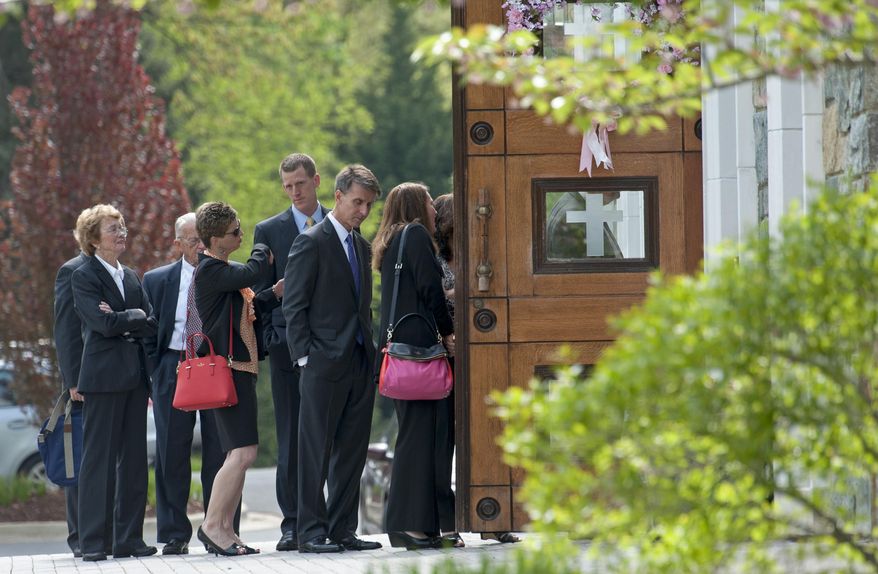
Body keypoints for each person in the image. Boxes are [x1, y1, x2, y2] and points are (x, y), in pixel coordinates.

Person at [283, 164, 383, 554]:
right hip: (322, 364)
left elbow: (363, 310)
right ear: (338, 196)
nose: (363, 211)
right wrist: (305, 358)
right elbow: (294, 306)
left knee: (352, 452)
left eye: (369, 205)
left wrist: (369, 353)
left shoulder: (361, 245)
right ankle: (310, 532)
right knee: (315, 451)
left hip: (359, 363)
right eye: (358, 202)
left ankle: (343, 529)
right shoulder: (311, 242)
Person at [70, 204, 157, 562]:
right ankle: (93, 541)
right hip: (103, 380)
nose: (122, 232)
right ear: (93, 239)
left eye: (123, 226)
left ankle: (129, 539)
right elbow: (101, 325)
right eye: (113, 228)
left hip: (135, 378)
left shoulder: (133, 276)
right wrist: (131, 318)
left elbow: (151, 322)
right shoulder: (84, 275)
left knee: (135, 461)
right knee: (98, 462)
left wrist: (126, 317)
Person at [142, 213, 232, 555]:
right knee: (171, 452)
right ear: (178, 243)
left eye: (204, 239)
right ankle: (174, 533)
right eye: (193, 240)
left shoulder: (225, 273)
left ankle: (220, 528)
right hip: (172, 366)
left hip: (214, 365)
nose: (200, 246)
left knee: (220, 451)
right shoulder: (156, 280)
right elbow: (149, 332)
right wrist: (156, 370)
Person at [371, 183, 455, 550]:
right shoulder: (416, 234)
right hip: (419, 350)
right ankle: (408, 525)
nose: (435, 210)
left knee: (412, 438)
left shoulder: (391, 241)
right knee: (417, 442)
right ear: (416, 207)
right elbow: (431, 291)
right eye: (429, 203)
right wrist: (449, 332)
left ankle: (416, 524)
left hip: (398, 352)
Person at [252, 153, 329, 552]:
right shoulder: (268, 231)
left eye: (300, 183)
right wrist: (271, 338)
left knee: (329, 438)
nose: (295, 192)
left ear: (316, 180)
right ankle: (292, 524)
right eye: (288, 186)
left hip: (331, 349)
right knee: (291, 438)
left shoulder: (338, 221)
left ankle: (327, 521)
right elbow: (258, 298)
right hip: (286, 350)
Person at [192, 202, 276, 556]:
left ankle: (225, 526)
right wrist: (262, 243)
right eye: (235, 232)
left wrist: (274, 295)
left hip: (240, 370)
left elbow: (247, 308)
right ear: (215, 239)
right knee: (240, 453)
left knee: (240, 452)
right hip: (227, 371)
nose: (240, 235)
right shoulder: (210, 269)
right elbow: (252, 272)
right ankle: (211, 526)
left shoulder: (221, 270)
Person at [53, 247, 90, 558]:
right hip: (82, 386)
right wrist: (73, 379)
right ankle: (79, 536)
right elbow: (65, 329)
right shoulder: (71, 270)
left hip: (110, 382)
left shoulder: (119, 270)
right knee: (79, 459)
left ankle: (101, 532)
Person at [431, 193, 463, 548]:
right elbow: (434, 297)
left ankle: (494, 519)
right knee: (445, 441)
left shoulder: (480, 253)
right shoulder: (436, 260)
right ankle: (446, 521)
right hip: (447, 353)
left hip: (484, 355)